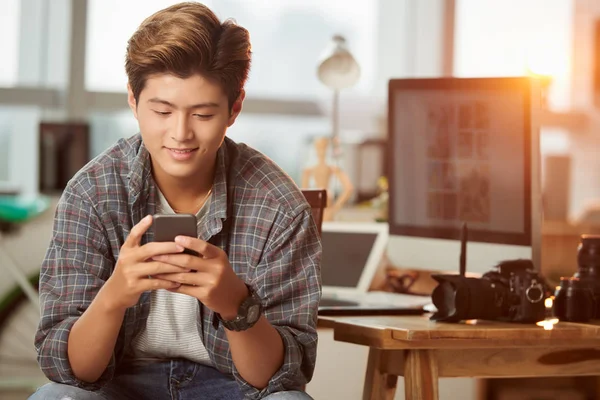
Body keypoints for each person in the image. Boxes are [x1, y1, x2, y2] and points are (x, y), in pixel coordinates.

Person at [29, 2, 322, 399]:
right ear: (133, 101)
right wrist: (114, 296)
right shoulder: (93, 193)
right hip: (120, 385)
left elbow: (276, 379)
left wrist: (237, 306)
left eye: (202, 114)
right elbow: (73, 371)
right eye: (162, 110)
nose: (180, 133)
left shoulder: (277, 205)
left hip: (231, 386)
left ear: (234, 108)